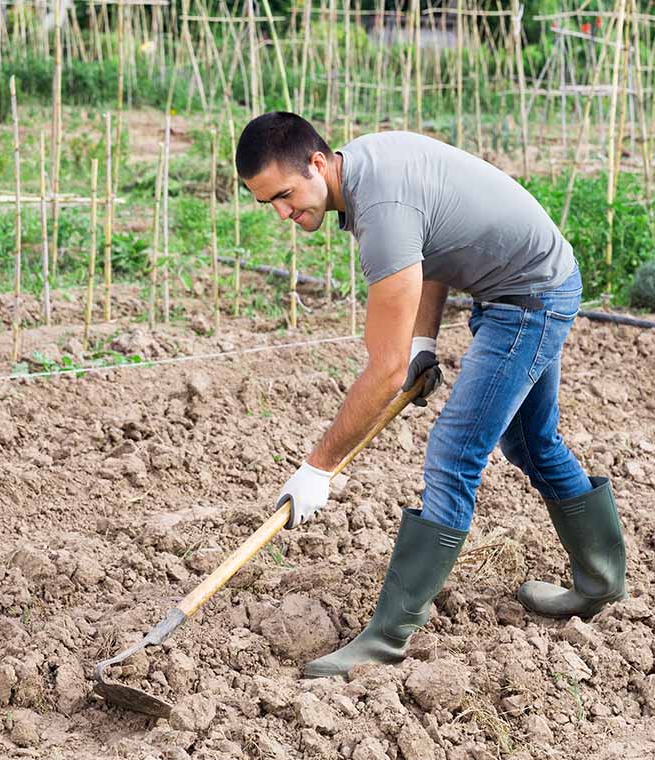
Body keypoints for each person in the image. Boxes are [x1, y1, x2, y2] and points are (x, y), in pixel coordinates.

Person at [235, 113, 626, 678]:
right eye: (266, 202)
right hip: (529, 283)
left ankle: (386, 638)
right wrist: (424, 341)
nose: (281, 212)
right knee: (532, 443)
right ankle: (600, 581)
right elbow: (433, 248)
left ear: (318, 164)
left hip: (527, 299)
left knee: (452, 454)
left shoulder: (380, 210)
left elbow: (385, 369)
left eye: (286, 194)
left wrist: (318, 468)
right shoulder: (363, 166)